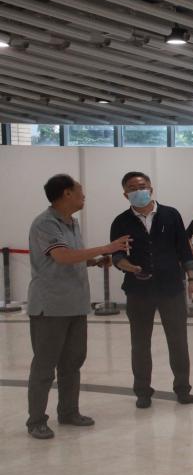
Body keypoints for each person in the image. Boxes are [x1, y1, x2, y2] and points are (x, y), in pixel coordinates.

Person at [25, 175, 131, 439]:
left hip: (75, 304)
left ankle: (68, 411)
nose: (84, 195)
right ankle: (36, 420)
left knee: (72, 362)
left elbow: (71, 257)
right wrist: (107, 247)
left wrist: (94, 261)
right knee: (45, 366)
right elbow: (61, 256)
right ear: (66, 193)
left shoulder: (72, 223)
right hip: (51, 306)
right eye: (80, 190)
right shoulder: (45, 223)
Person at [110, 171, 193, 408]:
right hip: (138, 291)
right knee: (140, 343)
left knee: (178, 341)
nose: (138, 191)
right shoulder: (121, 221)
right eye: (132, 188)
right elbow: (116, 255)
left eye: (142, 186)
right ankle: (142, 391)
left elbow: (184, 250)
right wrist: (129, 267)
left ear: (150, 188)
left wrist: (192, 279)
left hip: (171, 288)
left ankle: (182, 388)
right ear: (125, 194)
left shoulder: (171, 215)